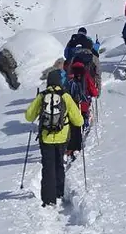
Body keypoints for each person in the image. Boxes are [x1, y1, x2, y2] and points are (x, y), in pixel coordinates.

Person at [25, 67, 85, 207]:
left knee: (48, 167)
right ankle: (59, 193)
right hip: (62, 137)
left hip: (45, 138)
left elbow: (29, 116)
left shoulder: (42, 96)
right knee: (59, 164)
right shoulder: (65, 96)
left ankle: (48, 199)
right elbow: (78, 121)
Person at [65, 46, 100, 152]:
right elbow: (92, 89)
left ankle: (71, 143)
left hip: (71, 103)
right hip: (84, 102)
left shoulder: (70, 75)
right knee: (82, 117)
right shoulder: (86, 74)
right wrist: (95, 93)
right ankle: (83, 130)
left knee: (72, 122)